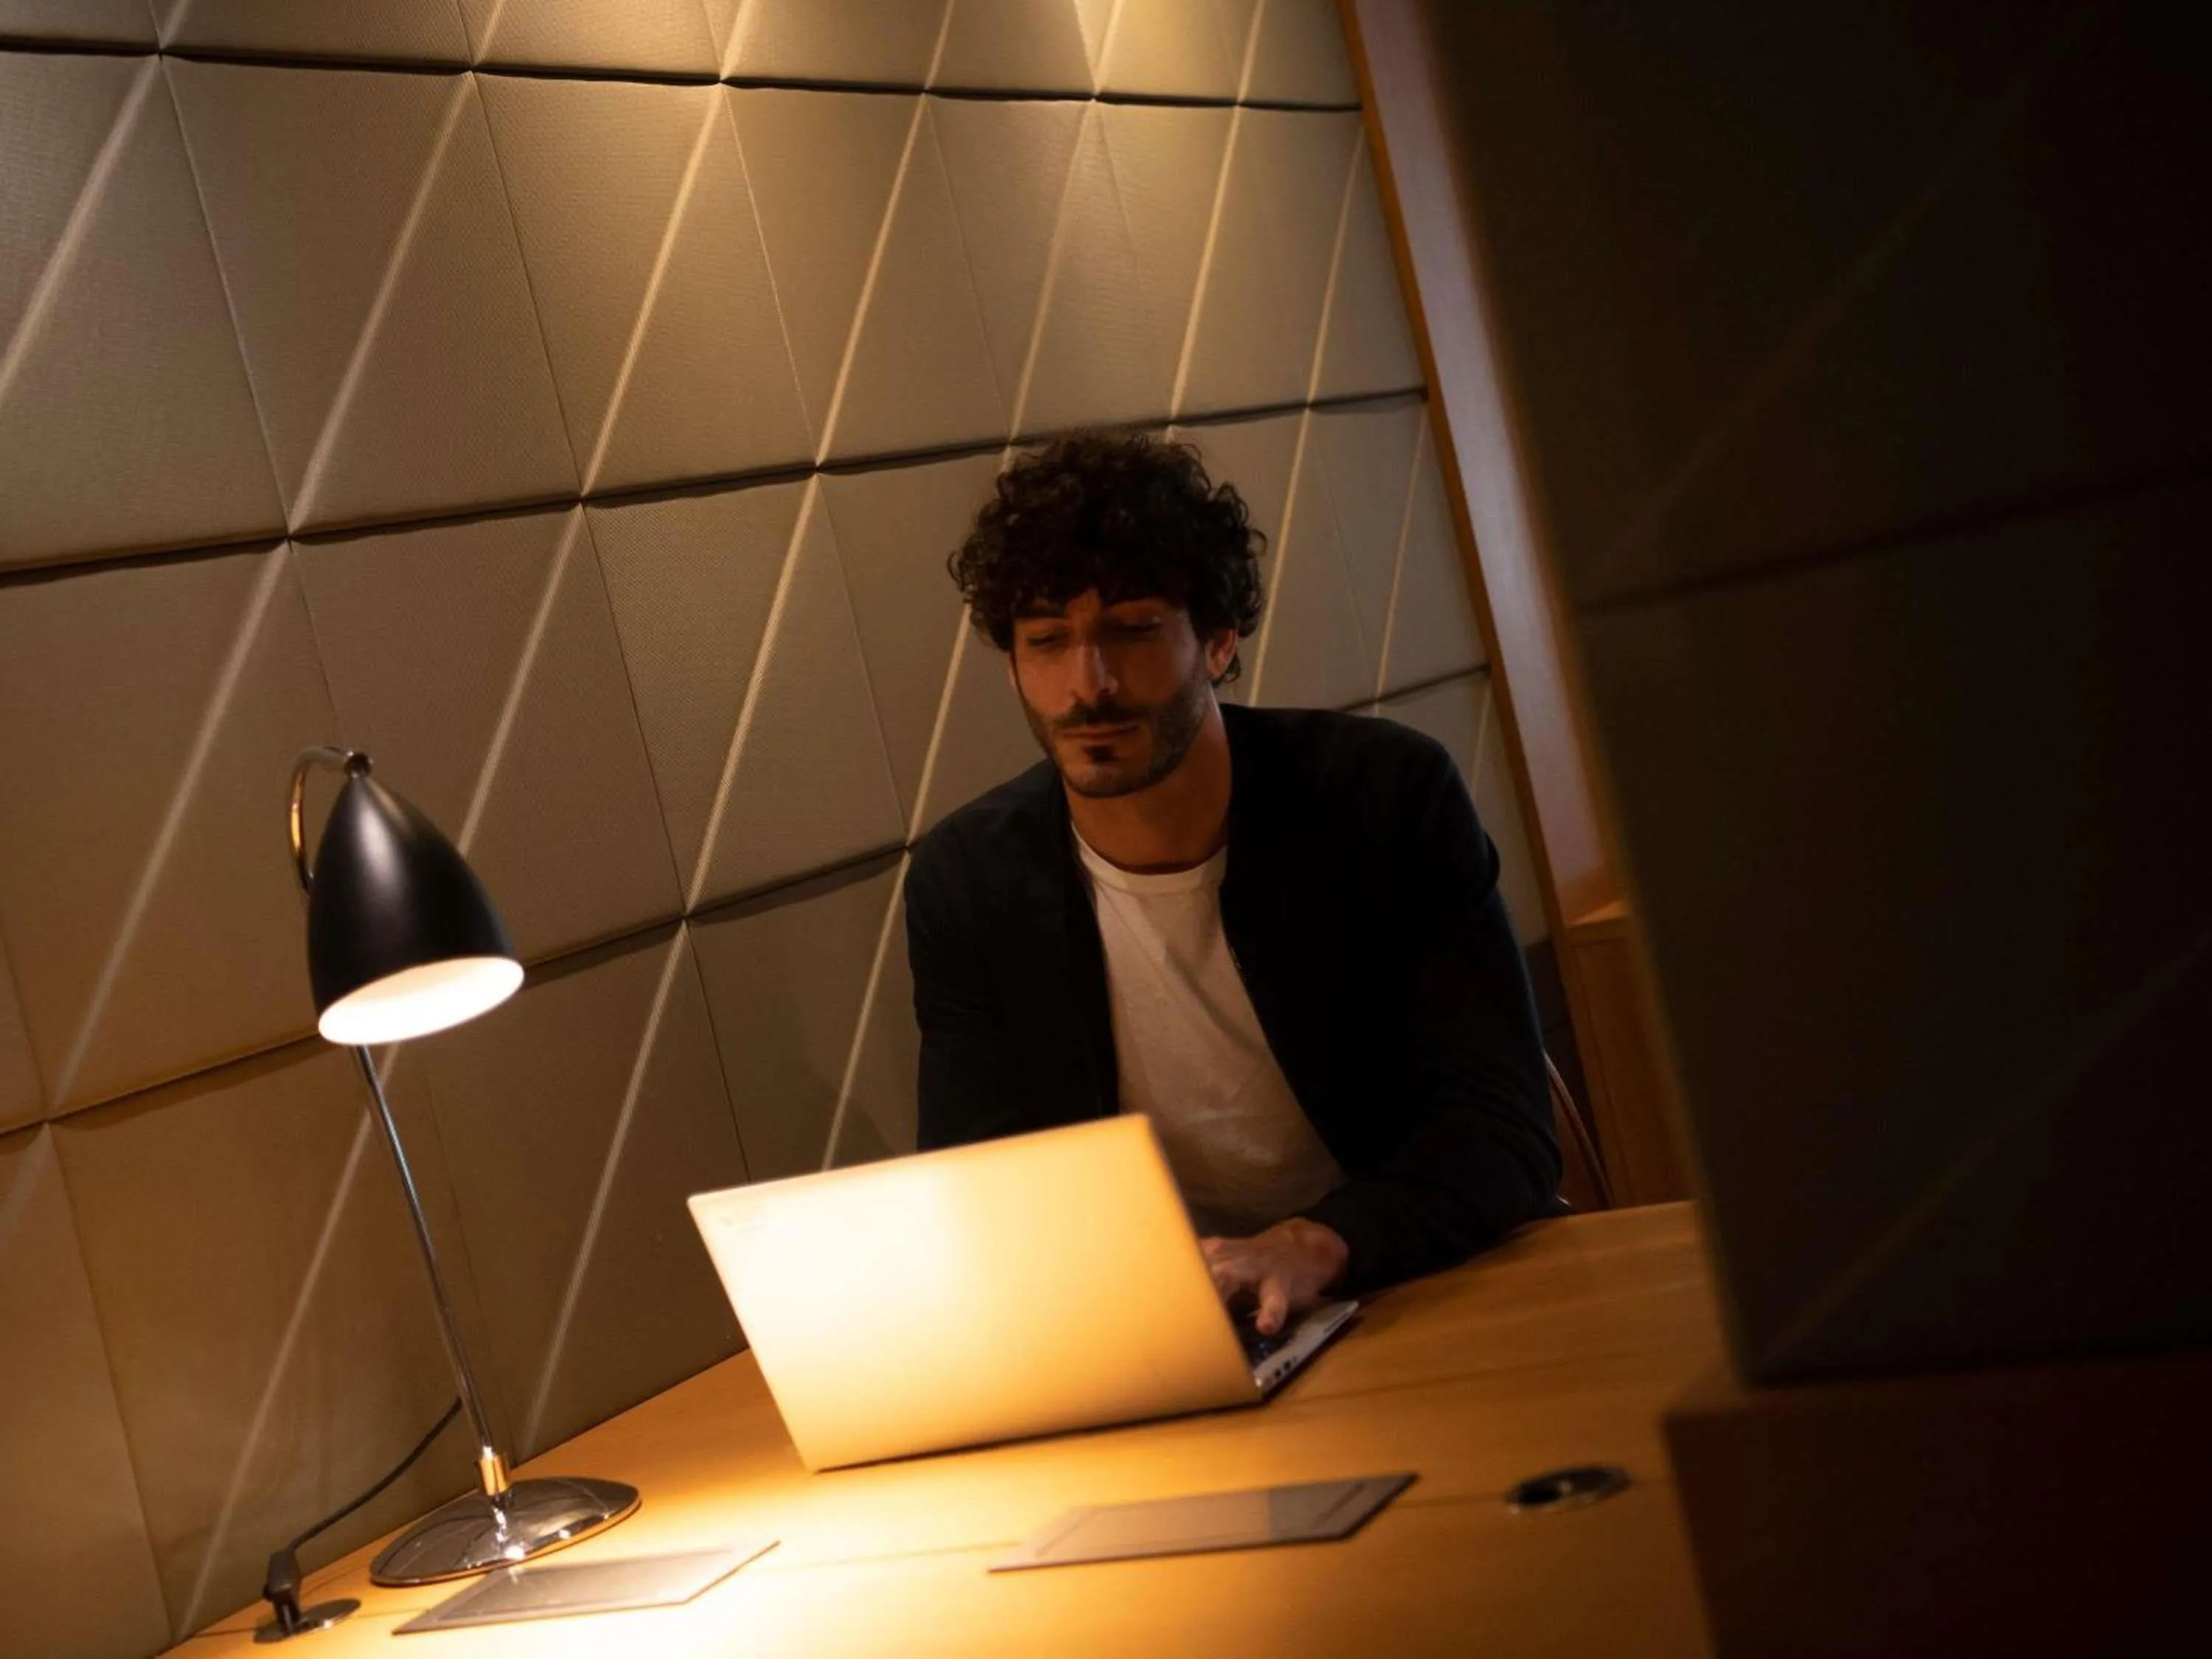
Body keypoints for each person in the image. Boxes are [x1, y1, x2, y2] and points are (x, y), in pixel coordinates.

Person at [905, 431, 1559, 1337]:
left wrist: (1314, 1243)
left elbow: (1500, 1129)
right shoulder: (969, 879)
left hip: (1422, 1278)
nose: (1088, 686)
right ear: (1013, 663)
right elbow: (982, 1184)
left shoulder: (1382, 796)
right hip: (1177, 1326)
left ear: (1217, 642)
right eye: (1048, 641)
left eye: (1133, 631)